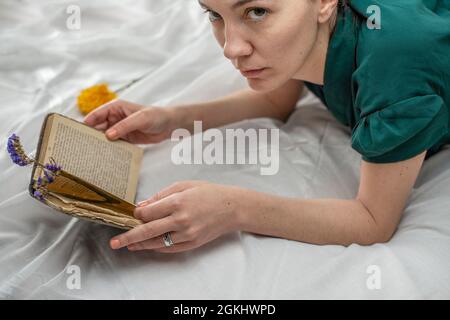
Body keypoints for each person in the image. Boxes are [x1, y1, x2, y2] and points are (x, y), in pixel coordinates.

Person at [83, 0, 450, 252]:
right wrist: (171, 119)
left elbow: (372, 221)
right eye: (215, 14)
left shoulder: (394, 71)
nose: (231, 48)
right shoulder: (304, 36)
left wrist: (232, 209)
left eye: (257, 11)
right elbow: (277, 101)